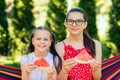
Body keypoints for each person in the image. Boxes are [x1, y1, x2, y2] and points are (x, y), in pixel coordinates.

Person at [56, 8, 102, 80]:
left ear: (85, 24)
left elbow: (97, 78)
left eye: (79, 21)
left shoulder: (95, 45)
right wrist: (64, 71)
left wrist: (95, 70)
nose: (74, 24)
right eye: (70, 21)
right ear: (65, 23)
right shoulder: (59, 47)